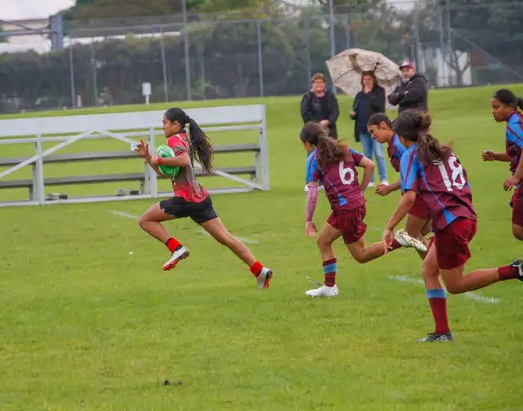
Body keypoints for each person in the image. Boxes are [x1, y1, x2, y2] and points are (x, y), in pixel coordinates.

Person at [382, 110, 522, 342]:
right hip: (464, 216)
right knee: (428, 269)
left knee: (456, 285)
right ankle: (442, 332)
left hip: (452, 224)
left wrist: (389, 227)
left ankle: (515, 270)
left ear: (404, 137)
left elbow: (409, 198)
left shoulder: (410, 154)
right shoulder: (443, 150)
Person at [135, 107, 273, 290]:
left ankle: (176, 248)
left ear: (175, 124)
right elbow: (169, 174)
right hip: (200, 199)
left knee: (145, 220)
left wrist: (158, 160)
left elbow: (183, 161)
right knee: (226, 238)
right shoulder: (183, 138)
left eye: (164, 122)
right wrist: (147, 156)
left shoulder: (175, 139)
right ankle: (259, 270)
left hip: (185, 199)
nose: (162, 126)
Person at [301, 122, 422, 298]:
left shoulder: (314, 158)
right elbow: (370, 165)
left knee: (361, 255)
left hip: (346, 209)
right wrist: (360, 191)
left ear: (306, 143)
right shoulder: (342, 148)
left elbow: (312, 192)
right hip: (349, 205)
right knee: (323, 241)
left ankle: (400, 241)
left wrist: (308, 219)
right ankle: (329, 287)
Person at [367, 113, 430, 258]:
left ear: (383, 125)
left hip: (420, 195)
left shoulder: (399, 144)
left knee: (413, 235)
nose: (372, 136)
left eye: (373, 131)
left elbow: (413, 173)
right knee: (418, 234)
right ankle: (434, 269)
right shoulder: (393, 144)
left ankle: (433, 269)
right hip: (422, 193)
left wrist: (389, 188)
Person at [482, 88, 523, 240]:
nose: (493, 111)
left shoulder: (515, 125)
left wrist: (517, 177)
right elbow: (517, 154)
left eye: (496, 107)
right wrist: (496, 156)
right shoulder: (516, 120)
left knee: (518, 230)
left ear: (510, 107)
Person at [350, 72, 388, 187]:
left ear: (374, 80)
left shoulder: (379, 92)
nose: (367, 82)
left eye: (369, 79)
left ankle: (383, 178)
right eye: (365, 79)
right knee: (367, 155)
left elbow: (379, 106)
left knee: (379, 154)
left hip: (376, 129)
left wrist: (370, 93)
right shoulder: (360, 95)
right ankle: (370, 180)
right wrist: (353, 114)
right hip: (362, 129)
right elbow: (356, 109)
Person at [301, 73, 340, 139]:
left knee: (331, 149)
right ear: (312, 84)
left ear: (324, 83)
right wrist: (319, 123)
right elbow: (305, 114)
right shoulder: (307, 97)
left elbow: (335, 112)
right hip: (313, 132)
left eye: (320, 82)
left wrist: (328, 121)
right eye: (316, 82)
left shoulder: (330, 96)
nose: (318, 84)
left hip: (330, 131)